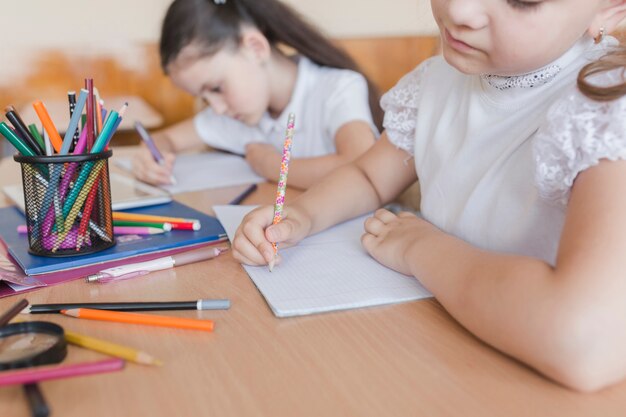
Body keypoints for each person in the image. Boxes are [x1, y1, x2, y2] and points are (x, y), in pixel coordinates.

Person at [232, 0, 626, 391]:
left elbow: (585, 341)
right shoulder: (438, 80)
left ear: (610, 9)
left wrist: (420, 249)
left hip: (523, 382)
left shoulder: (607, 108)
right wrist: (301, 216)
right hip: (437, 345)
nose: (460, 11)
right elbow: (370, 176)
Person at [132, 0, 380, 189]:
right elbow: (166, 140)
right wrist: (150, 156)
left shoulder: (337, 88)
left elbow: (362, 165)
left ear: (255, 48)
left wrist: (270, 165)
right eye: (204, 97)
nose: (216, 108)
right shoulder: (236, 115)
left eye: (216, 88)